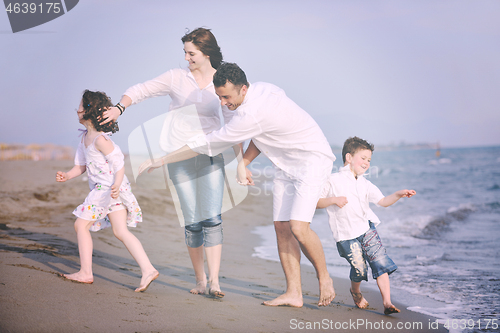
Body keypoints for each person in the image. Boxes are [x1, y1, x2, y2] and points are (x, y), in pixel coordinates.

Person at [140, 62, 337, 307]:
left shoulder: (249, 114)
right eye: (219, 97)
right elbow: (262, 132)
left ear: (243, 89)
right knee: (281, 227)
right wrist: (244, 161)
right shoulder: (264, 88)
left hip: (312, 160)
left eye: (226, 97)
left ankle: (325, 278)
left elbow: (207, 143)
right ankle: (294, 294)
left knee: (298, 227)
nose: (223, 103)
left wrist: (163, 159)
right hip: (285, 164)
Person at [101, 28, 233, 297]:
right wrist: (119, 107)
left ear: (206, 53)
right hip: (178, 159)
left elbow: (235, 120)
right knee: (193, 221)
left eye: (191, 53)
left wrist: (243, 163)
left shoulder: (220, 81)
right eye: (185, 52)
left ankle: (215, 281)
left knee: (212, 218)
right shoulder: (176, 78)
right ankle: (200, 280)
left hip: (209, 157)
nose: (186, 58)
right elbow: (140, 90)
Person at [56, 90, 159, 292]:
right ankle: (148, 269)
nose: (76, 110)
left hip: (108, 190)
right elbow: (81, 166)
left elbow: (119, 162)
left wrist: (117, 184)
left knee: (80, 225)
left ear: (89, 111)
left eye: (80, 106)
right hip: (110, 190)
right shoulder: (84, 138)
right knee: (120, 231)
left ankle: (86, 272)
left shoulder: (100, 140)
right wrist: (68, 175)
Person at [317, 136, 416, 315]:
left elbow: (383, 201)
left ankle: (387, 302)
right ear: (349, 158)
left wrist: (398, 194)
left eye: (369, 160)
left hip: (366, 229)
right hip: (346, 235)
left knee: (380, 262)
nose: (367, 163)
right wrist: (333, 200)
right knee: (359, 268)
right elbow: (316, 201)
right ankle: (355, 291)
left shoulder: (365, 183)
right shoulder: (332, 180)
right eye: (363, 158)